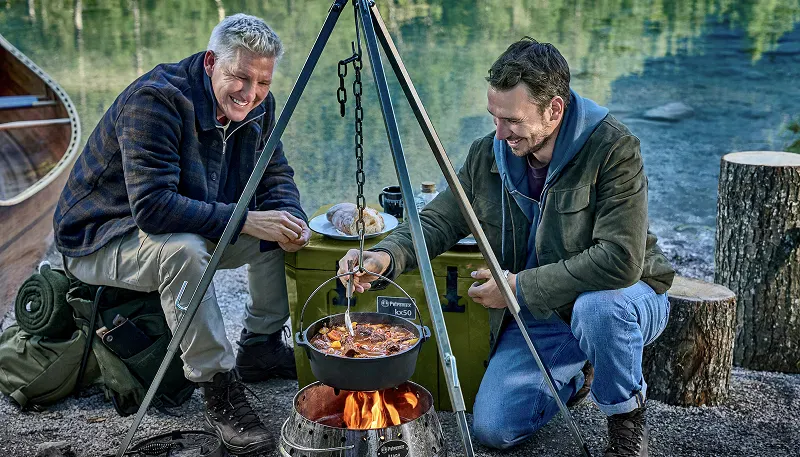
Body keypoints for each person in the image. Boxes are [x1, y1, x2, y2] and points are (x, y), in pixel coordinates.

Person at [337, 37, 675, 457]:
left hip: (626, 298)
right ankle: (577, 373)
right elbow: (440, 218)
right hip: (543, 313)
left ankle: (626, 423)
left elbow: (621, 261)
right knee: (494, 429)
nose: (499, 132)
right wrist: (385, 255)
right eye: (494, 116)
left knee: (598, 310)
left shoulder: (613, 149)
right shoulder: (488, 153)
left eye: (512, 120)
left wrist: (514, 288)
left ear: (554, 110)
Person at [53, 14, 309, 454]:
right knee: (186, 252)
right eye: (240, 78)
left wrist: (291, 219)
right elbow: (153, 209)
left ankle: (262, 346)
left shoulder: (259, 107)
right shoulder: (156, 101)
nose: (250, 94)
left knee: (280, 228)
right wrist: (245, 219)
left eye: (262, 82)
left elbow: (276, 177)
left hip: (183, 222)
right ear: (211, 62)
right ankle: (219, 389)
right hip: (102, 236)